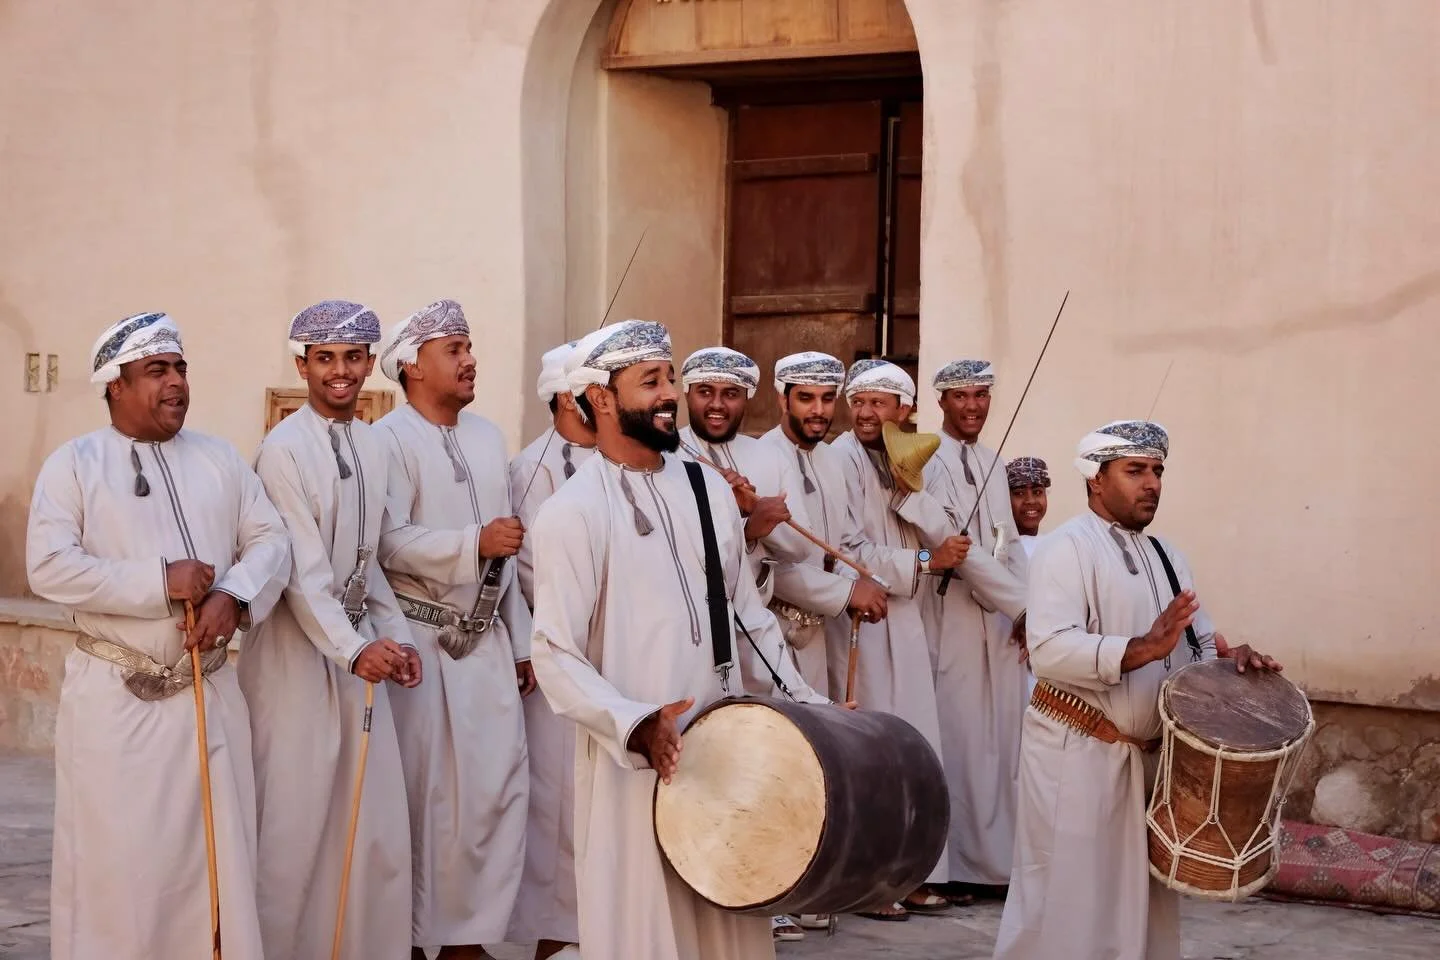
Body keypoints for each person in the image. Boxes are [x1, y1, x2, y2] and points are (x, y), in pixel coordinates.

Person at [528, 319, 828, 960]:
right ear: (602, 398)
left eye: (669, 378)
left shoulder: (707, 492)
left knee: (729, 921)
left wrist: (813, 712)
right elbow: (555, 653)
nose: (668, 395)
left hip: (723, 743)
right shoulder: (571, 514)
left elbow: (746, 614)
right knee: (646, 929)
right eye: (651, 382)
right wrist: (635, 724)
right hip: (634, 763)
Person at [27, 312, 291, 960]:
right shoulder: (75, 465)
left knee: (217, 866)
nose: (175, 383)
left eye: (179, 369)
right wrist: (156, 580)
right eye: (156, 371)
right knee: (124, 871)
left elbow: (270, 539)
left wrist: (234, 595)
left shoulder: (219, 458)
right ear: (114, 385)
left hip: (211, 698)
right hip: (118, 710)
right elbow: (50, 567)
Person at [993, 420, 1282, 960]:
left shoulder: (1169, 555)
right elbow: (1050, 648)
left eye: (1157, 472)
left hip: (1148, 765)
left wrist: (1231, 658)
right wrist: (1142, 649)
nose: (1151, 483)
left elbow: (1195, 643)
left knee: (1139, 912)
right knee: (1066, 905)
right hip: (1075, 757)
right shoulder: (1064, 549)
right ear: (1095, 480)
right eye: (1135, 471)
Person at [239, 300, 419, 960]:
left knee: (365, 822)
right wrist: (357, 649)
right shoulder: (282, 452)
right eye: (325, 360)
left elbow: (371, 567)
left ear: (371, 363)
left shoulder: (373, 444)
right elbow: (301, 575)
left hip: (356, 654)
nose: (340, 373)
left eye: (352, 359)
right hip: (294, 662)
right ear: (302, 366)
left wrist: (396, 642)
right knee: (295, 825)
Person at [373, 300, 532, 960]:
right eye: (454, 349)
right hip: (423, 651)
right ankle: (417, 941)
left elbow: (510, 551)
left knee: (495, 794)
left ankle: (471, 938)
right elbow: (386, 541)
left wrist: (521, 643)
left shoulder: (491, 438)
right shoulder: (388, 441)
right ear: (412, 366)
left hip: (490, 649)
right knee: (427, 802)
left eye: (469, 346)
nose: (470, 360)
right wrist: (472, 542)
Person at [829, 358, 971, 919]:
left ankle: (908, 873)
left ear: (904, 411)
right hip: (860, 622)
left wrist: (912, 487)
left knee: (913, 752)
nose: (865, 414)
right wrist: (921, 561)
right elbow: (843, 549)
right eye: (858, 402)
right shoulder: (838, 459)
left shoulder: (912, 456)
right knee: (870, 759)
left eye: (879, 404)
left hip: (905, 620)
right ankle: (866, 884)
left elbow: (948, 532)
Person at [914, 360, 1029, 900]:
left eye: (981, 395)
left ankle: (994, 865)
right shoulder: (926, 461)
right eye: (962, 397)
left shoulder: (994, 461)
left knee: (1001, 744)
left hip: (1001, 624)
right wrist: (1021, 605)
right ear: (942, 403)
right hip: (954, 620)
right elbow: (958, 549)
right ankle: (954, 865)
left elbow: (1007, 543)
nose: (974, 407)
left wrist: (1028, 613)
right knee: (960, 739)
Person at [507, 340, 596, 960]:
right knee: (557, 806)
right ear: (569, 397)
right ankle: (555, 938)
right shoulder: (530, 469)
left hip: (623, 661)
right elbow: (526, 570)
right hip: (559, 657)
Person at [1006, 456, 1051, 556]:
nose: (1030, 501)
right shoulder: (999, 551)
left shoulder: (1053, 546)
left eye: (1037, 492)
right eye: (1019, 493)